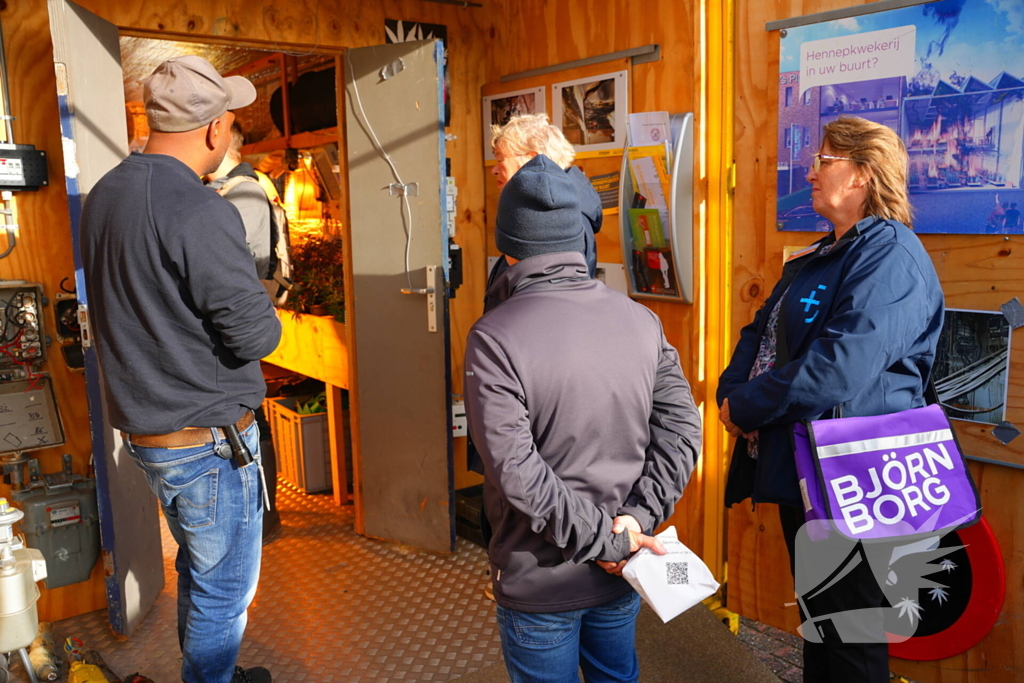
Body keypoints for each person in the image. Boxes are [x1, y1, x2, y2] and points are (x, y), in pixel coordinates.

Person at [718, 116, 944, 682]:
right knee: (824, 623)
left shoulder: (893, 255)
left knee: (851, 637)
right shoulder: (824, 253)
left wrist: (745, 407)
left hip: (857, 477)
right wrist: (730, 391)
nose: (811, 172)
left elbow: (838, 367)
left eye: (824, 161)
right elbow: (761, 330)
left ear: (863, 175)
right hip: (811, 471)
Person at [81, 56, 282, 683]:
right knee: (225, 591)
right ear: (216, 129)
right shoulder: (199, 209)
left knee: (200, 569)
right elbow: (258, 335)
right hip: (210, 442)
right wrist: (262, 296)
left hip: (151, 432)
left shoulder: (104, 196)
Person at [465, 154, 703, 683]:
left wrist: (607, 541)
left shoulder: (493, 337)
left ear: (508, 245)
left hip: (541, 581)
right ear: (580, 238)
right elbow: (684, 431)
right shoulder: (641, 320)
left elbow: (515, 471)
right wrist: (635, 521)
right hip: (622, 567)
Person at [206, 122, 284, 541]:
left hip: (242, 316)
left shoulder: (245, 192)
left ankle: (266, 519)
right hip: (238, 316)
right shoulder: (225, 191)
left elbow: (244, 262)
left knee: (254, 416)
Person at [487, 113, 603, 309]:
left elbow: (558, 301)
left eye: (500, 159)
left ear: (531, 160)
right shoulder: (557, 207)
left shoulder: (562, 216)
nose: (494, 170)